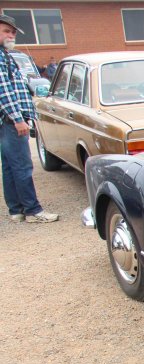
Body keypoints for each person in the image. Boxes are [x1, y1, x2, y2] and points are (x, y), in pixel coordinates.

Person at [0, 15, 58, 223]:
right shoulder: (1, 57)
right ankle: (33, 210)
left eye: (13, 32)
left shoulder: (5, 55)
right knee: (22, 166)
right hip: (10, 120)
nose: (11, 35)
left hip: (7, 120)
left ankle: (16, 209)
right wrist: (17, 119)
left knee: (9, 166)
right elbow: (4, 91)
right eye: (7, 31)